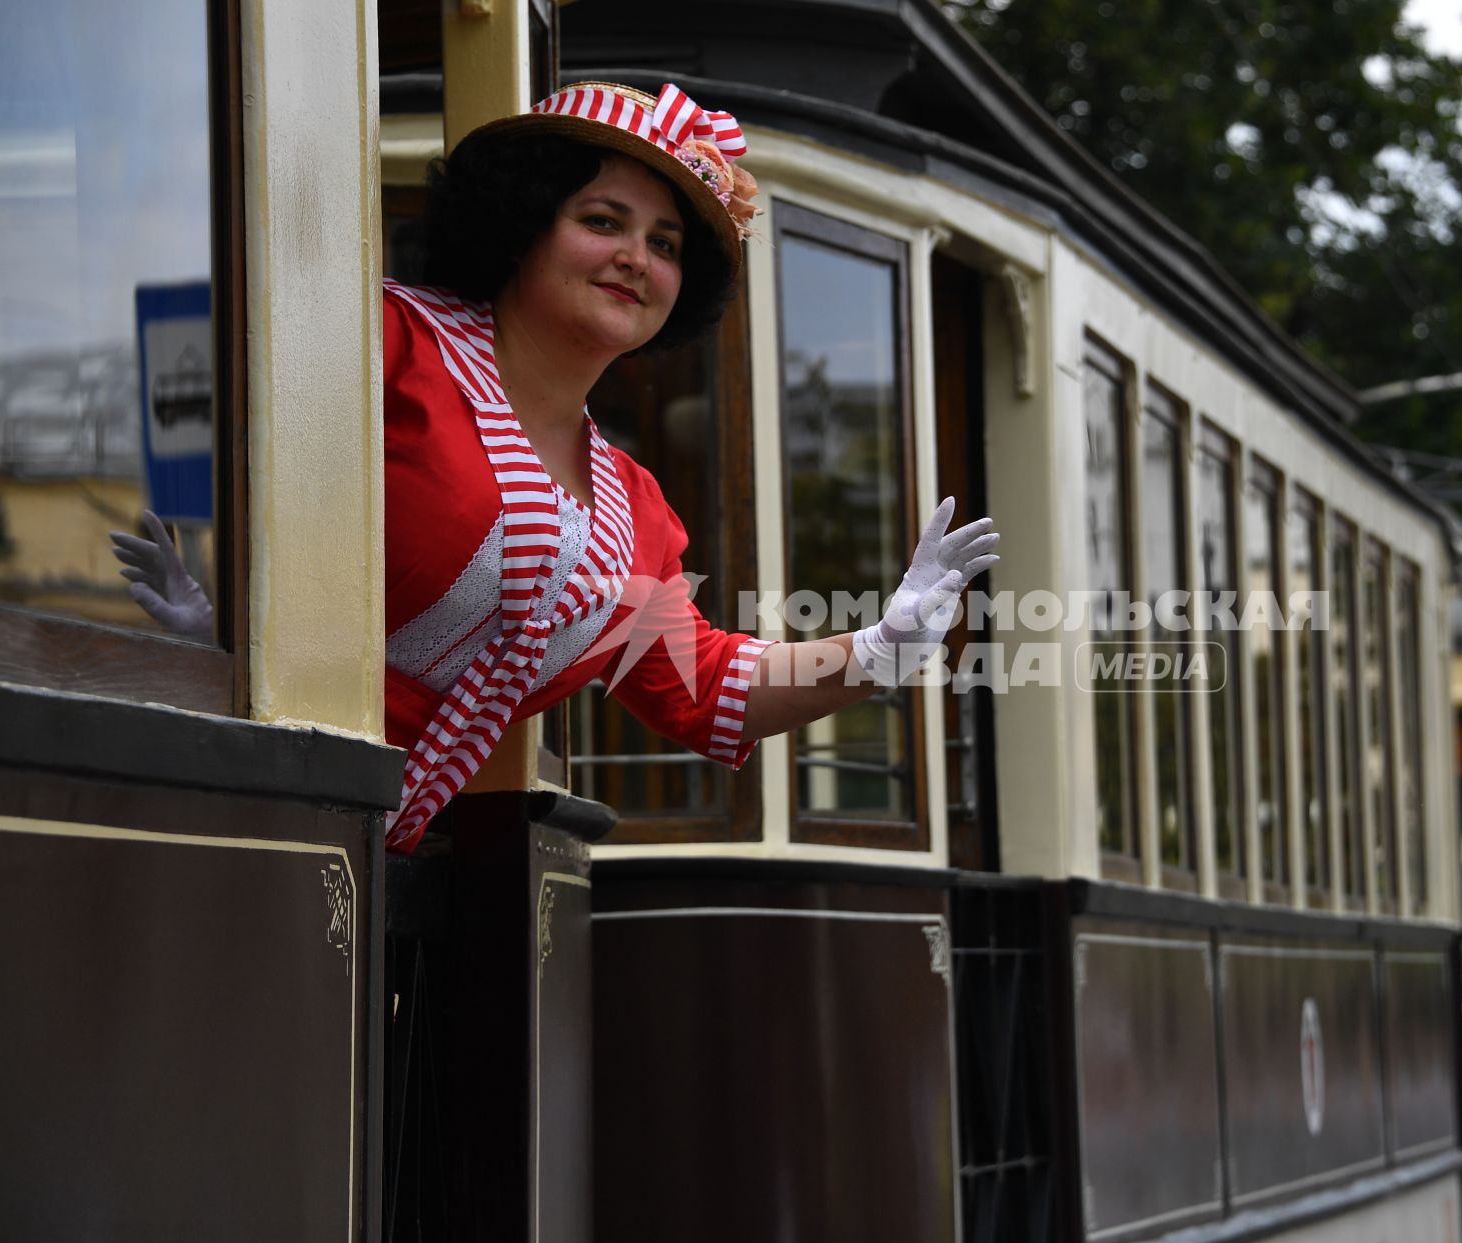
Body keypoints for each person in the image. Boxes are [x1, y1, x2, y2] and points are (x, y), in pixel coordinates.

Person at [118, 82, 999, 851]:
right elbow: (202, 432)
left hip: (371, 881)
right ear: (520, 226)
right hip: (199, 808)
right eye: (602, 221)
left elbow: (707, 689)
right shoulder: (383, 342)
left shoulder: (635, 510)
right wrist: (210, 631)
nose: (636, 259)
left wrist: (887, 645)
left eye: (665, 244)